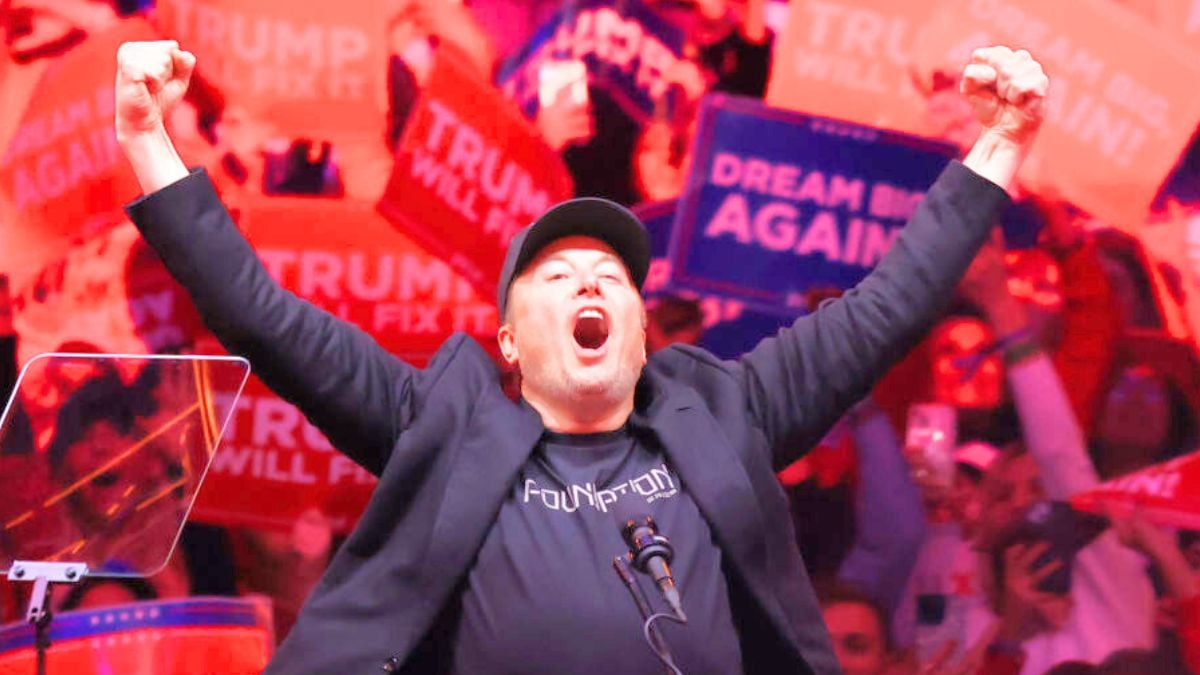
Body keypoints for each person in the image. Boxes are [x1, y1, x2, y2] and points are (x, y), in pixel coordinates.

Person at [113, 37, 1047, 674]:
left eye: (612, 276)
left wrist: (999, 147)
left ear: (644, 331)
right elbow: (262, 317)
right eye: (558, 278)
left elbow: (886, 309)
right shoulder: (436, 419)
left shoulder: (730, 408)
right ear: (509, 340)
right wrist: (149, 140)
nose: (593, 284)